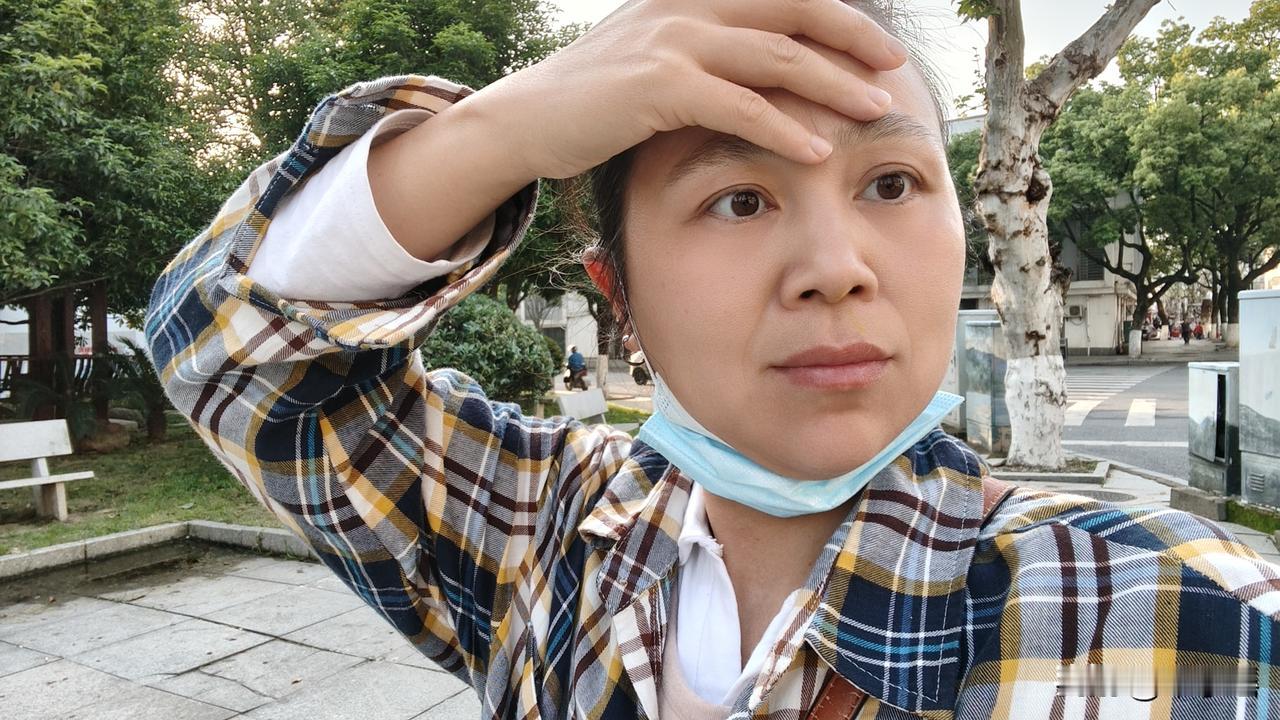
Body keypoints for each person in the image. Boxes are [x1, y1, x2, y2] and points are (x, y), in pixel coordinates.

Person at [145, 1, 1280, 717]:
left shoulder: (1185, 618)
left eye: (890, 183)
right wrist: (501, 129)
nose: (834, 268)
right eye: (739, 198)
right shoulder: (541, 536)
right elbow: (231, 353)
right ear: (619, 297)